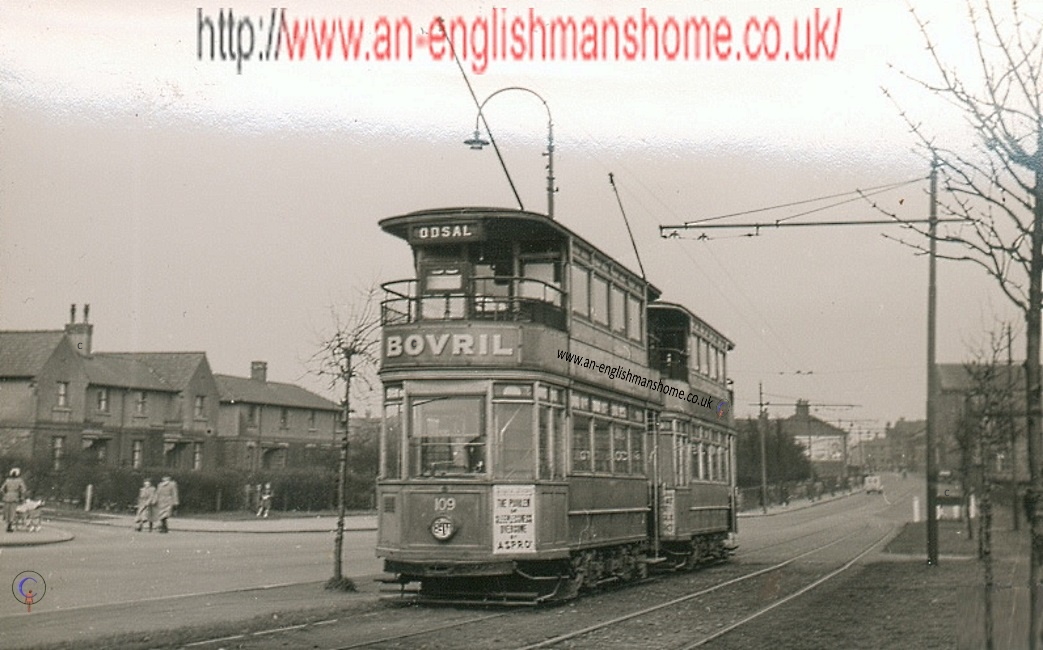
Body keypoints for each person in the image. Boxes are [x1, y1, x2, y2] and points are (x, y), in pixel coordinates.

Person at [1, 468, 28, 533]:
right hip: (14, 497)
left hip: (7, 497)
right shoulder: (19, 481)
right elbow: (23, 490)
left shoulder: (7, 480)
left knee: (7, 511)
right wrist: (21, 497)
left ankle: (8, 524)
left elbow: (1, 489)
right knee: (12, 512)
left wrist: (5, 494)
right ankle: (10, 525)